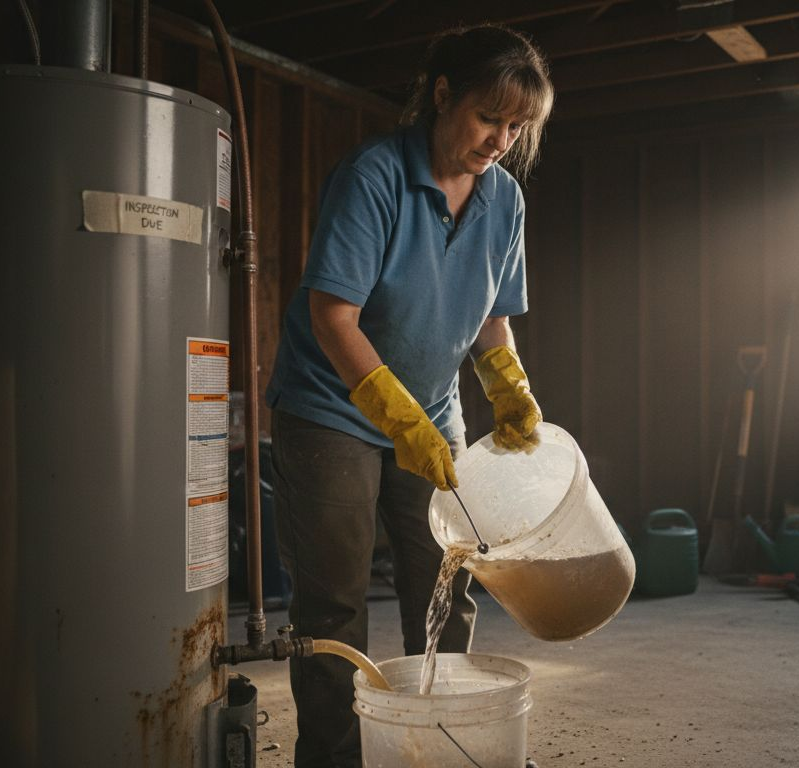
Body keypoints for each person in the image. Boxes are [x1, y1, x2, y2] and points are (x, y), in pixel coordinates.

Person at [263, 24, 554, 768]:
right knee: (335, 606)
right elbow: (334, 314)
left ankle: (435, 749)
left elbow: (492, 316)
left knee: (449, 586)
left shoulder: (505, 201)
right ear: (442, 93)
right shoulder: (373, 177)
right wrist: (395, 416)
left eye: (517, 126)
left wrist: (510, 390)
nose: (501, 140)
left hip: (434, 412)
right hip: (331, 411)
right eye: (490, 117)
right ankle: (332, 760)